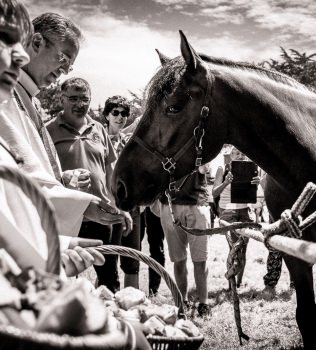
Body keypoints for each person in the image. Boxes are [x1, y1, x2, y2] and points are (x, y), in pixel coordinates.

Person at [0, 0, 106, 277]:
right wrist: (81, 203)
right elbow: (14, 184)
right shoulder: (7, 96)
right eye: (63, 59)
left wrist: (63, 180)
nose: (63, 71)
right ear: (36, 41)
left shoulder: (28, 98)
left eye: (69, 66)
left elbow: (26, 166)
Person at [47, 79, 132, 290]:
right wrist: (63, 177)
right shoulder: (48, 130)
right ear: (61, 99)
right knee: (63, 276)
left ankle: (111, 320)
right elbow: (43, 172)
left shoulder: (99, 129)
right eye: (73, 98)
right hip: (66, 215)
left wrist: (119, 204)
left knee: (109, 276)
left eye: (84, 99)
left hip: (100, 214)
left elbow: (110, 167)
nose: (79, 104)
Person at [159, 164, 211, 317]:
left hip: (197, 203)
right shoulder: (163, 141)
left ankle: (204, 304)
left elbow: (205, 166)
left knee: (200, 260)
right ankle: (182, 302)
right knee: (179, 260)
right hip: (169, 205)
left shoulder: (199, 141)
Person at [103, 95, 141, 290]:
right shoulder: (98, 140)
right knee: (108, 263)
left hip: (131, 206)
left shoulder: (130, 143)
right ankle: (107, 307)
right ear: (107, 115)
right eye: (115, 113)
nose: (120, 117)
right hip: (108, 208)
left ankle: (131, 304)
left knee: (132, 261)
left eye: (124, 113)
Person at [212, 146, 260, 288]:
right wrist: (226, 182)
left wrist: (257, 183)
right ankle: (231, 283)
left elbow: (252, 196)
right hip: (228, 211)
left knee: (243, 248)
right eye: (237, 153)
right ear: (231, 155)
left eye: (242, 153)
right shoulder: (223, 168)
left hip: (245, 211)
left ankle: (237, 284)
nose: (240, 156)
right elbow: (214, 193)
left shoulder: (251, 168)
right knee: (234, 248)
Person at [140, 206, 165, 297]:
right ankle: (133, 290)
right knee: (133, 249)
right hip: (137, 207)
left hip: (155, 208)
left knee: (157, 250)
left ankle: (154, 290)